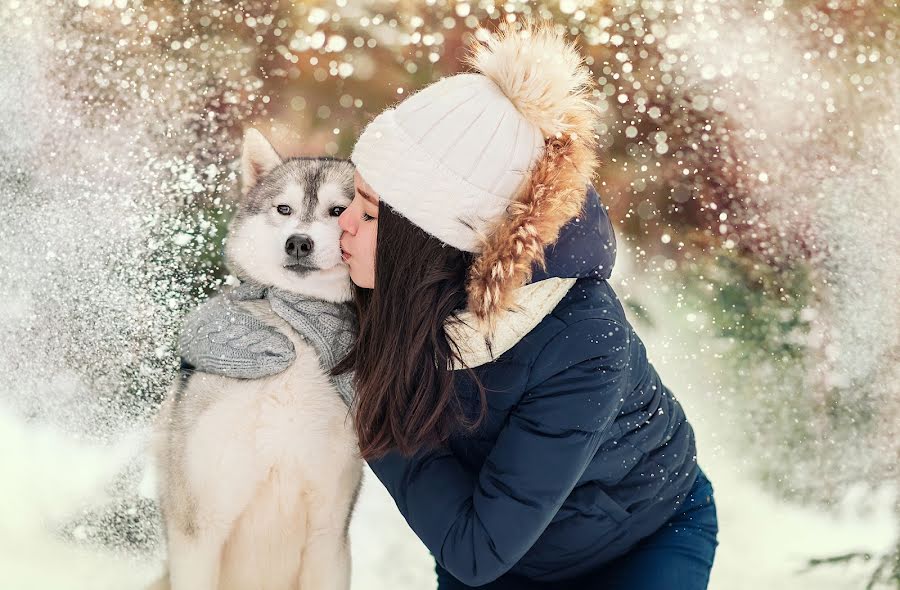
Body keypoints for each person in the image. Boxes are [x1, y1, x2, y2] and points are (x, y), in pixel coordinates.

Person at [180, 20, 718, 590]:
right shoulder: (392, 286)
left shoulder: (582, 342)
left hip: (637, 545)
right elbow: (271, 319)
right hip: (494, 560)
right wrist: (214, 340)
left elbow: (476, 550)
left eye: (365, 215)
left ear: (427, 240)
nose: (343, 232)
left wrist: (366, 398)